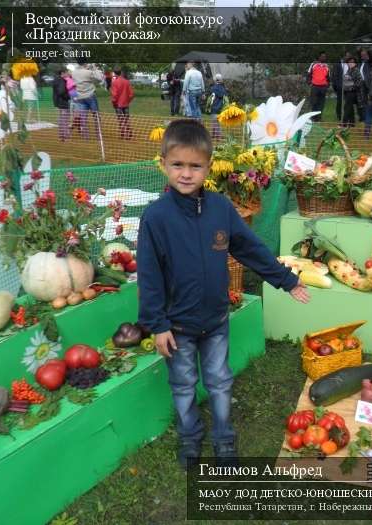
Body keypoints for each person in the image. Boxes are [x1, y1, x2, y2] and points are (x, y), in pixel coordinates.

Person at [136, 120, 310, 470]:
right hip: (178, 328)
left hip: (215, 322)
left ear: (208, 167)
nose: (186, 174)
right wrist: (157, 325)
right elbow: (149, 277)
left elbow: (250, 248)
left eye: (195, 166)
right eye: (178, 165)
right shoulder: (156, 218)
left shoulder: (220, 208)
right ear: (164, 163)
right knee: (184, 385)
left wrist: (286, 280)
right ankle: (190, 437)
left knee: (219, 382)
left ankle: (224, 440)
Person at [71, 62, 104, 140]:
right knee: (96, 116)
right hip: (90, 95)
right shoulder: (88, 72)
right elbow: (99, 78)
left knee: (83, 117)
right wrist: (94, 67)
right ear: (85, 63)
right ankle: (98, 135)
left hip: (80, 97)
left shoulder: (74, 73)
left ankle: (86, 136)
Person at [110, 68, 134, 140]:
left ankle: (123, 133)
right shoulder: (127, 82)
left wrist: (114, 102)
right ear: (120, 73)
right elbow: (131, 94)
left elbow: (114, 95)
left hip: (118, 104)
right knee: (126, 119)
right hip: (126, 104)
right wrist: (128, 101)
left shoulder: (115, 82)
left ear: (115, 73)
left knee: (121, 119)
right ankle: (129, 132)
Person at [306, 52, 329, 121]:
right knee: (314, 102)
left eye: (325, 57)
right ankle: (313, 117)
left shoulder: (326, 66)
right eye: (322, 56)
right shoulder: (313, 64)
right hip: (315, 87)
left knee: (321, 103)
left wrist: (327, 85)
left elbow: (328, 77)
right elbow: (309, 74)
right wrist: (309, 82)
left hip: (323, 87)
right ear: (319, 57)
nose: (324, 58)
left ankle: (319, 117)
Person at [331, 51, 352, 124]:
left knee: (348, 102)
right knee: (340, 102)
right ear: (343, 56)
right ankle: (339, 115)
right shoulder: (338, 64)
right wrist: (336, 86)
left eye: (349, 56)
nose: (348, 57)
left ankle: (347, 116)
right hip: (340, 86)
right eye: (347, 56)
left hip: (348, 86)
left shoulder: (349, 64)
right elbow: (334, 76)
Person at [342, 56, 362, 128]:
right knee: (350, 108)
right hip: (347, 91)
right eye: (349, 62)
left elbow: (360, 80)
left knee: (347, 107)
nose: (351, 63)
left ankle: (344, 123)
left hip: (353, 92)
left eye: (352, 62)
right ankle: (352, 123)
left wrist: (353, 87)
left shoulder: (356, 70)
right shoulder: (349, 70)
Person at [207, 73, 229, 140]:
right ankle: (213, 134)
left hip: (214, 107)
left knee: (214, 122)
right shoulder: (223, 89)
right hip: (221, 108)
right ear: (221, 80)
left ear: (215, 80)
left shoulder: (213, 88)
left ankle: (218, 136)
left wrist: (208, 106)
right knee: (217, 122)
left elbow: (210, 99)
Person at [52, 69, 71, 142]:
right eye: (67, 73)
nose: (68, 74)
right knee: (65, 119)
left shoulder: (55, 80)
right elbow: (61, 92)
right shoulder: (62, 81)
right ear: (62, 73)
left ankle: (61, 136)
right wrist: (68, 96)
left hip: (57, 102)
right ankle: (66, 137)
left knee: (61, 119)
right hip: (63, 102)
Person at [357, 48, 371, 123]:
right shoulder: (360, 63)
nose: (362, 56)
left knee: (367, 101)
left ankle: (367, 117)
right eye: (361, 55)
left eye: (364, 55)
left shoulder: (369, 63)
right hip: (361, 83)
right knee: (362, 101)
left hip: (367, 84)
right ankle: (363, 117)